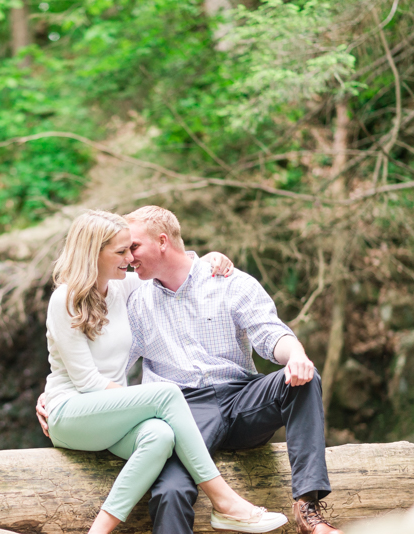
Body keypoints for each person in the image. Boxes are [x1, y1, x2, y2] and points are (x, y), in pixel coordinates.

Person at [39, 206, 344, 534]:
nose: (129, 258)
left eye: (134, 247)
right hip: (181, 410)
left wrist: (296, 353)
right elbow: (105, 367)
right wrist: (55, 394)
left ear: (162, 241)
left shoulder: (226, 280)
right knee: (170, 490)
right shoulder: (133, 296)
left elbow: (269, 332)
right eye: (123, 250)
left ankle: (309, 510)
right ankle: (224, 503)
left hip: (241, 398)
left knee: (302, 379)